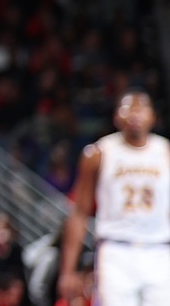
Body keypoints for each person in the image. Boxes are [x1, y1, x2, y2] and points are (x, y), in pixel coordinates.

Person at [59, 90, 169, 306]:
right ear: (117, 116)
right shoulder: (98, 153)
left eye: (141, 108)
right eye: (129, 108)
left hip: (160, 249)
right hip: (115, 250)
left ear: (153, 117)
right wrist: (68, 270)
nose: (135, 114)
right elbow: (79, 212)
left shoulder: (166, 151)